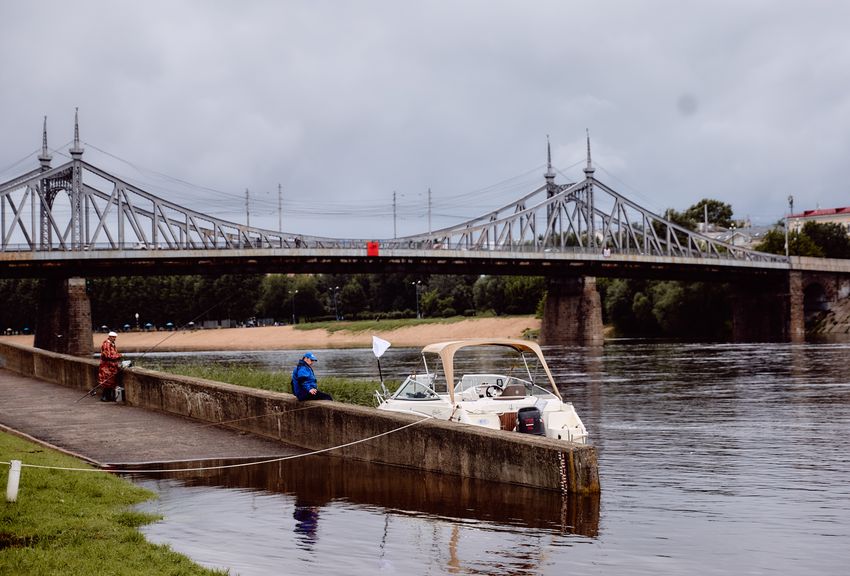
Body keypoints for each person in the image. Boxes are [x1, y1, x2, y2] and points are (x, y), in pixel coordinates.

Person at [98, 331, 122, 402]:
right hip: (106, 366)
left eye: (115, 337)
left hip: (111, 366)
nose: (115, 339)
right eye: (114, 337)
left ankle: (108, 397)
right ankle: (104, 397)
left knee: (111, 382)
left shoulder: (112, 344)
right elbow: (108, 356)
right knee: (107, 382)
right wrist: (119, 355)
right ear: (110, 337)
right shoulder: (106, 344)